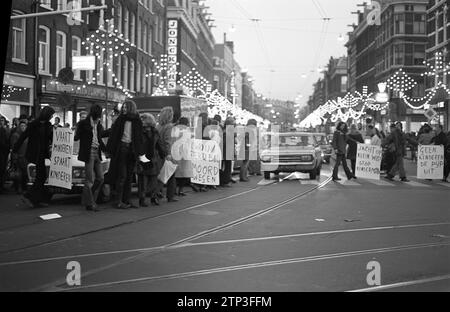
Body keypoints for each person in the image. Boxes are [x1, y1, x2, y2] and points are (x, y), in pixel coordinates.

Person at [13, 106, 55, 207]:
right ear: (47, 114)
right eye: (51, 115)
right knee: (41, 176)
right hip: (35, 153)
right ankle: (30, 197)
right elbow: (24, 136)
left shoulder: (48, 125)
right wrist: (14, 149)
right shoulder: (33, 124)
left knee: (41, 177)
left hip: (42, 153)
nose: (52, 117)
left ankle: (35, 198)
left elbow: (52, 138)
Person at [105, 100, 143, 209]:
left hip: (132, 151)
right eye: (123, 107)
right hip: (121, 149)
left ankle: (127, 200)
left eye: (126, 107)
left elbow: (139, 138)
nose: (124, 109)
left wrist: (140, 153)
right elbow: (113, 136)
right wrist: (110, 150)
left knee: (129, 177)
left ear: (131, 108)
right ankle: (118, 201)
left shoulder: (137, 121)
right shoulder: (120, 120)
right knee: (122, 176)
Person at [74, 104, 106, 212]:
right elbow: (76, 137)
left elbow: (100, 139)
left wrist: (106, 150)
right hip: (89, 152)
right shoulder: (84, 124)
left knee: (100, 178)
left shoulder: (99, 124)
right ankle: (91, 203)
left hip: (97, 152)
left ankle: (88, 199)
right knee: (89, 179)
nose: (99, 117)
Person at [138, 113, 166, 207]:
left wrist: (163, 154)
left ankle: (153, 197)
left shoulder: (155, 132)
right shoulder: (139, 131)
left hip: (153, 157)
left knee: (153, 179)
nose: (142, 121)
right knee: (143, 179)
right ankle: (142, 198)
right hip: (142, 156)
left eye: (143, 119)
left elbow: (159, 144)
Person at [157, 106, 178, 202]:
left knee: (162, 174)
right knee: (169, 174)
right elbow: (168, 141)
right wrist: (169, 154)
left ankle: (158, 193)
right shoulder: (169, 127)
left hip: (159, 153)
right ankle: (169, 195)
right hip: (167, 153)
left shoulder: (158, 126)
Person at [174, 117, 192, 197]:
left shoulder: (175, 129)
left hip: (176, 153)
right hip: (184, 153)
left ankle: (174, 190)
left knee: (175, 173)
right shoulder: (186, 131)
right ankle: (180, 190)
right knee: (183, 173)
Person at [10, 121, 28, 194]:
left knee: (24, 173)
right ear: (19, 127)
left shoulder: (27, 135)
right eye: (21, 126)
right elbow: (13, 147)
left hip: (26, 157)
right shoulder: (16, 135)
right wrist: (15, 158)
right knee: (18, 174)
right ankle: (18, 188)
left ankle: (24, 188)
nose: (23, 127)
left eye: (24, 126)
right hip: (18, 157)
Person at [220, 117, 235, 187]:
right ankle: (225, 181)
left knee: (226, 167)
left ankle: (225, 180)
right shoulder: (227, 132)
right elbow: (225, 143)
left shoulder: (225, 131)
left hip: (226, 151)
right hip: (226, 152)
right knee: (227, 167)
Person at [0, 116, 10, 193]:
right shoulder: (2, 130)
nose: (1, 122)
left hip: (3, 152)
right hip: (2, 153)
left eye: (2, 120)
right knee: (2, 170)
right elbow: (3, 143)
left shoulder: (4, 130)